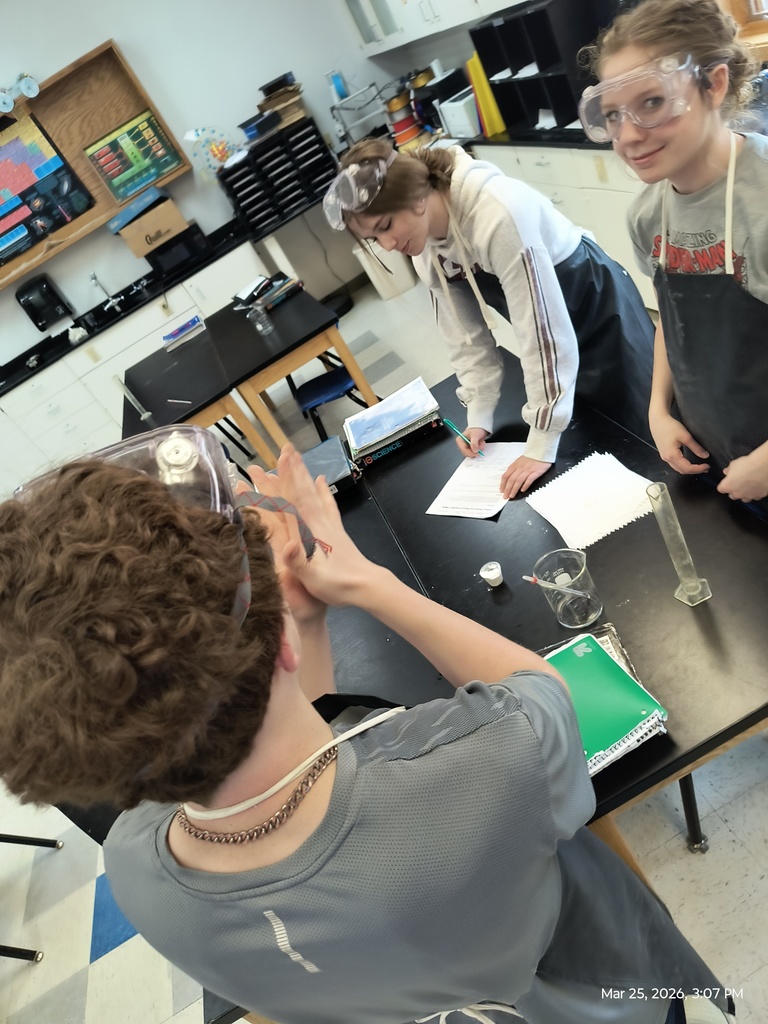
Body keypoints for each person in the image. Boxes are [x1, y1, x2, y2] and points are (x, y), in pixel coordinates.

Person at [0, 425, 735, 1024]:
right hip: (596, 998)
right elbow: (538, 693)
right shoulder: (479, 764)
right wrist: (365, 582)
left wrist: (308, 620)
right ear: (276, 646)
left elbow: (286, 748)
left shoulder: (135, 870)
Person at [322, 137, 655, 498]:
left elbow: (540, 334)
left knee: (648, 428)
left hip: (599, 307)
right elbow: (466, 341)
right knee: (597, 439)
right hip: (552, 329)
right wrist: (479, 415)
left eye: (386, 226)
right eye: (374, 238)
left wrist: (541, 440)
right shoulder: (426, 254)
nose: (387, 245)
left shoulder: (496, 214)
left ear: (416, 196)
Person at [578, 0, 768, 514]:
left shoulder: (763, 202)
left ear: (715, 85)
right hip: (716, 452)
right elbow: (672, 318)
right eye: (613, 115)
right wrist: (659, 409)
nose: (629, 135)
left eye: (653, 103)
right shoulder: (648, 214)